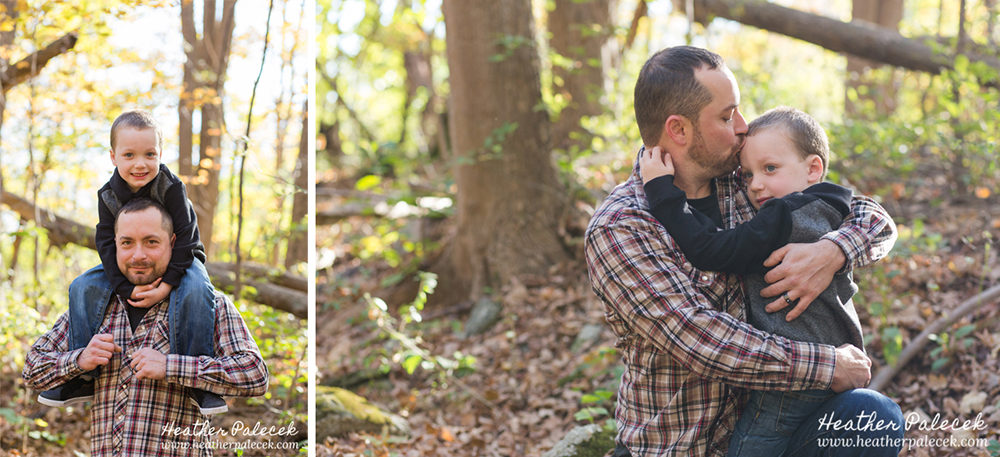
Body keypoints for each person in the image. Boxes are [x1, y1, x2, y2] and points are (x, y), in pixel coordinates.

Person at [584, 46, 904, 457]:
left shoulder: (746, 180)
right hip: (680, 448)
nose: (742, 126)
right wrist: (828, 365)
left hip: (776, 426)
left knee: (874, 418)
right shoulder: (621, 226)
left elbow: (866, 214)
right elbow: (703, 340)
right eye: (726, 116)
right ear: (678, 130)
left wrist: (834, 250)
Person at [639, 106, 869, 456]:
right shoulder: (834, 205)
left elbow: (711, 250)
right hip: (837, 358)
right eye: (747, 174)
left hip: (793, 381)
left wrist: (662, 193)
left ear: (813, 168)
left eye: (769, 169)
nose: (756, 184)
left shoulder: (782, 213)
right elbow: (867, 210)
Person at [23, 198, 269, 457]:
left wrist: (171, 366)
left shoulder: (207, 304)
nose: (138, 255)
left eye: (151, 242)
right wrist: (80, 359)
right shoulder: (94, 305)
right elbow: (32, 369)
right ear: (114, 244)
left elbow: (255, 374)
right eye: (127, 243)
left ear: (172, 243)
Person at [37, 110, 226, 415]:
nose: (140, 164)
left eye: (150, 154)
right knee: (82, 285)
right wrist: (124, 288)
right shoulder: (108, 195)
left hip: (182, 257)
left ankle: (199, 383)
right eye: (129, 155)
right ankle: (83, 375)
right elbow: (106, 244)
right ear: (113, 157)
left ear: (160, 154)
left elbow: (187, 237)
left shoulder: (171, 186)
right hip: (125, 264)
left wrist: (167, 285)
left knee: (196, 289)